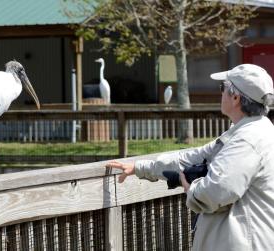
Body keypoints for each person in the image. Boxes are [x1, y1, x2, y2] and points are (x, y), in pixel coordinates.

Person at [106, 64, 274, 250]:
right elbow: (192, 158)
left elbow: (219, 189)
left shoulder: (247, 140)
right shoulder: (250, 132)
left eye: (222, 88)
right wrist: (140, 167)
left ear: (235, 98)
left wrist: (191, 189)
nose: (221, 94)